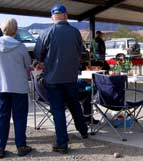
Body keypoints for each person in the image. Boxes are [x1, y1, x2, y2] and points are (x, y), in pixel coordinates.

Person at [34, 4, 88, 154]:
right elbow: (80, 53)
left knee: (58, 110)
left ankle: (62, 143)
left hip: (53, 79)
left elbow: (38, 55)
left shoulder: (46, 33)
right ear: (66, 15)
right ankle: (83, 131)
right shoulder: (75, 32)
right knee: (75, 105)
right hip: (71, 77)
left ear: (52, 16)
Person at [0, 18, 32, 158]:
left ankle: (0, 147)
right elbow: (28, 65)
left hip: (1, 86)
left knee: (2, 117)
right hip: (19, 87)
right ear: (16, 30)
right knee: (19, 117)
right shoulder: (21, 47)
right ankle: (21, 146)